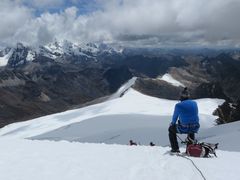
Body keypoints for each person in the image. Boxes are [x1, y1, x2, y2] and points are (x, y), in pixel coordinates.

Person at [168, 87, 200, 153]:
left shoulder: (178, 105)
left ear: (181, 97)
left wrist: (172, 124)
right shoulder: (194, 103)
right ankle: (190, 149)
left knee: (171, 129)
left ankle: (175, 149)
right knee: (191, 131)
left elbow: (175, 118)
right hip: (195, 127)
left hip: (184, 128)